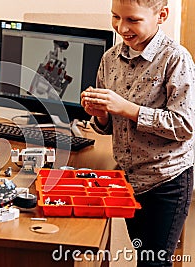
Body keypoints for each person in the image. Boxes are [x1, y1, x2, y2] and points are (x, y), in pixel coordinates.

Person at [81, 0, 194, 266]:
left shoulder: (176, 59)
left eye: (132, 20)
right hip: (130, 179)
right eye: (115, 17)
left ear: (161, 16)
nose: (121, 27)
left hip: (167, 181)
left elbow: (184, 126)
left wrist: (128, 109)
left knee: (153, 262)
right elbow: (107, 126)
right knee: (142, 254)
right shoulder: (110, 59)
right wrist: (100, 114)